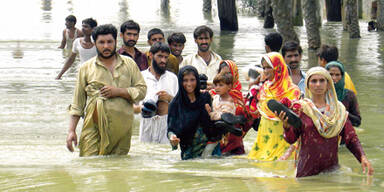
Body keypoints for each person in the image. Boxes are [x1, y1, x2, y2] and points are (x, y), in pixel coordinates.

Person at [66, 24, 147, 156]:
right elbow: (77, 103)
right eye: (101, 42)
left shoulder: (129, 64)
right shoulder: (86, 68)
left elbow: (141, 90)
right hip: (93, 128)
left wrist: (119, 92)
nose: (106, 46)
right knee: (90, 165)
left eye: (109, 42)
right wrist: (71, 131)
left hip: (122, 129)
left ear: (116, 42)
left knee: (116, 170)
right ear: (95, 44)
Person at [276, 67, 373, 177]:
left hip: (331, 169)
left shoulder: (338, 110)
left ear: (328, 84)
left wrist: (362, 157)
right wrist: (286, 126)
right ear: (307, 85)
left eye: (322, 81)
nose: (318, 84)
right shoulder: (301, 109)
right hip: (306, 170)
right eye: (314, 81)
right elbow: (291, 139)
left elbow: (351, 138)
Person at [247, 52, 301, 161]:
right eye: (264, 68)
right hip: (265, 133)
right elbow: (254, 112)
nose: (265, 71)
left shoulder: (292, 89)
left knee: (281, 163)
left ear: (278, 68)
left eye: (269, 67)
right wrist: (252, 92)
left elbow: (295, 115)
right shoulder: (264, 87)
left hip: (283, 134)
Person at [168, 66, 220, 160]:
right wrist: (172, 138)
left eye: (192, 80)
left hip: (211, 147)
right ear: (180, 81)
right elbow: (171, 129)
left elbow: (213, 120)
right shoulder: (175, 104)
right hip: (189, 151)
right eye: (185, 80)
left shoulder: (205, 97)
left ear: (197, 80)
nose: (189, 84)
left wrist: (211, 114)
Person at [136, 42, 178, 144]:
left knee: (165, 155)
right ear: (150, 55)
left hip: (166, 125)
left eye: (165, 57)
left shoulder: (172, 78)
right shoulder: (140, 77)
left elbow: (180, 105)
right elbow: (130, 105)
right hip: (145, 123)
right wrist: (143, 107)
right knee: (145, 154)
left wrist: (169, 98)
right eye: (160, 56)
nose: (163, 60)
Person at [210, 60, 251, 155]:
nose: (226, 76)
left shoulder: (241, 98)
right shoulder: (212, 94)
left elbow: (247, 123)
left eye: (228, 73)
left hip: (235, 144)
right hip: (216, 141)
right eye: (222, 73)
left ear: (234, 74)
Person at [203, 71, 236, 156]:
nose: (217, 88)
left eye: (221, 85)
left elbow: (222, 117)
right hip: (214, 131)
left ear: (229, 86)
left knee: (207, 153)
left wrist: (209, 113)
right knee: (215, 153)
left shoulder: (228, 102)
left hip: (222, 134)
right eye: (216, 85)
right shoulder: (217, 97)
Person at [325, 61, 361, 127]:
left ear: (342, 76)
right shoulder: (320, 94)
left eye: (337, 75)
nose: (334, 78)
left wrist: (341, 112)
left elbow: (357, 122)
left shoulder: (349, 95)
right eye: (331, 74)